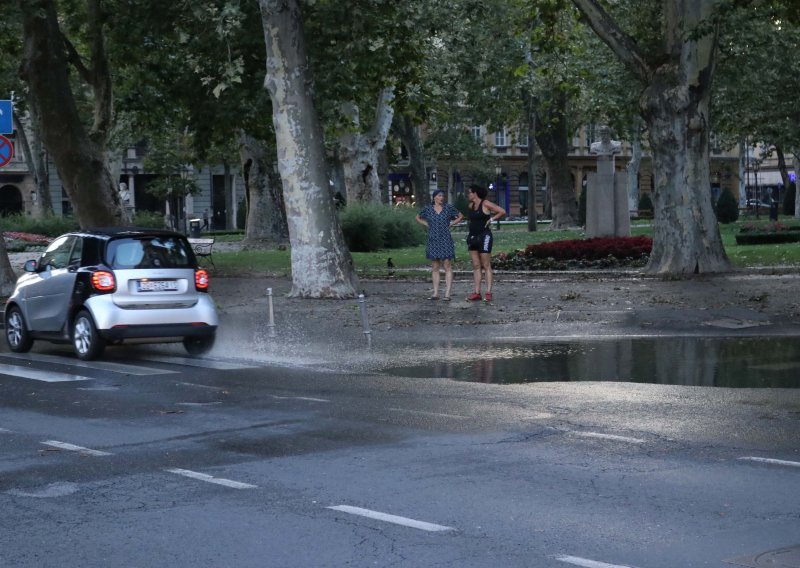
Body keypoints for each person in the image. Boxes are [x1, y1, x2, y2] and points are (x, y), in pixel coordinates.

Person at [416, 189, 463, 301]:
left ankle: (447, 293)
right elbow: (417, 217)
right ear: (434, 198)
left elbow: (461, 216)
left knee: (447, 265)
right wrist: (426, 224)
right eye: (439, 195)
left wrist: (451, 224)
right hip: (433, 239)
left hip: (445, 239)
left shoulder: (448, 208)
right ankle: (435, 292)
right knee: (435, 266)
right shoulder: (428, 209)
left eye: (443, 196)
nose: (442, 197)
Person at [465, 184, 505, 302]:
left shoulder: (485, 203)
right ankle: (477, 292)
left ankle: (488, 292)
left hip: (484, 236)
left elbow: (502, 211)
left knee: (486, 265)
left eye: (469, 192)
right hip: (473, 237)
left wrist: (491, 219)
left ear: (475, 193)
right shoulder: (471, 205)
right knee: (476, 265)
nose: (468, 194)